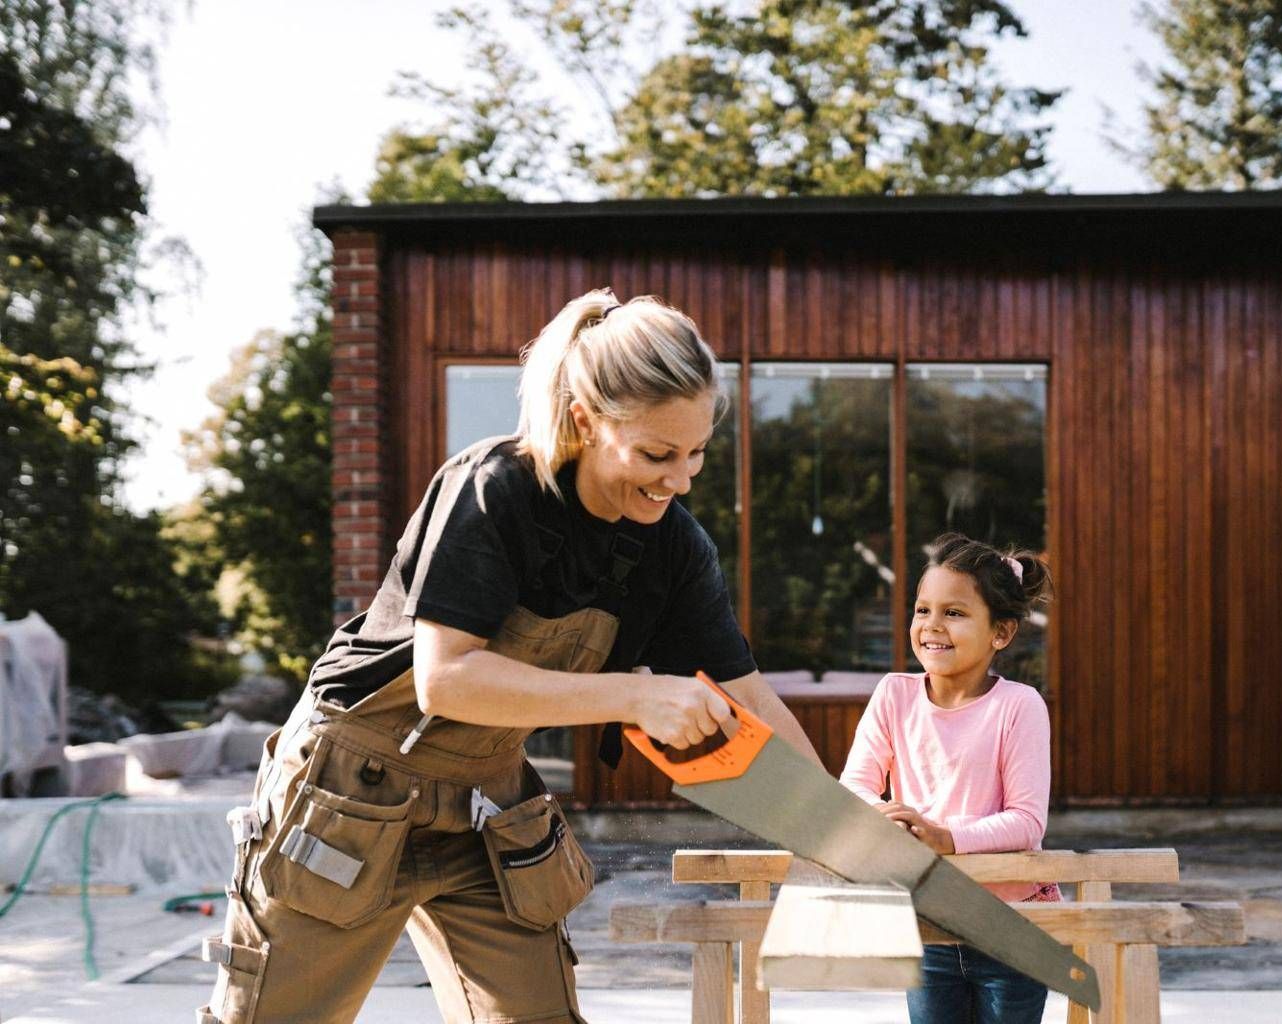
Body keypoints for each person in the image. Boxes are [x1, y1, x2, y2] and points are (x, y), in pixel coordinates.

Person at [198, 288, 818, 1024]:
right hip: (349, 793)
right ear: (586, 421)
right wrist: (634, 696)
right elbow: (446, 679)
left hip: (484, 809)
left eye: (696, 454)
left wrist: (841, 821)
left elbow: (752, 698)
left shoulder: (674, 546)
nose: (679, 479)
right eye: (656, 453)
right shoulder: (494, 489)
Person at [839, 532, 1060, 1024]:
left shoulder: (1019, 707)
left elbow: (1026, 823)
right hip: (928, 922)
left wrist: (944, 837)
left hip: (1014, 925)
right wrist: (882, 815)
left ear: (1000, 634)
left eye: (954, 613)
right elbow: (852, 786)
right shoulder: (894, 696)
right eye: (923, 610)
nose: (932, 626)